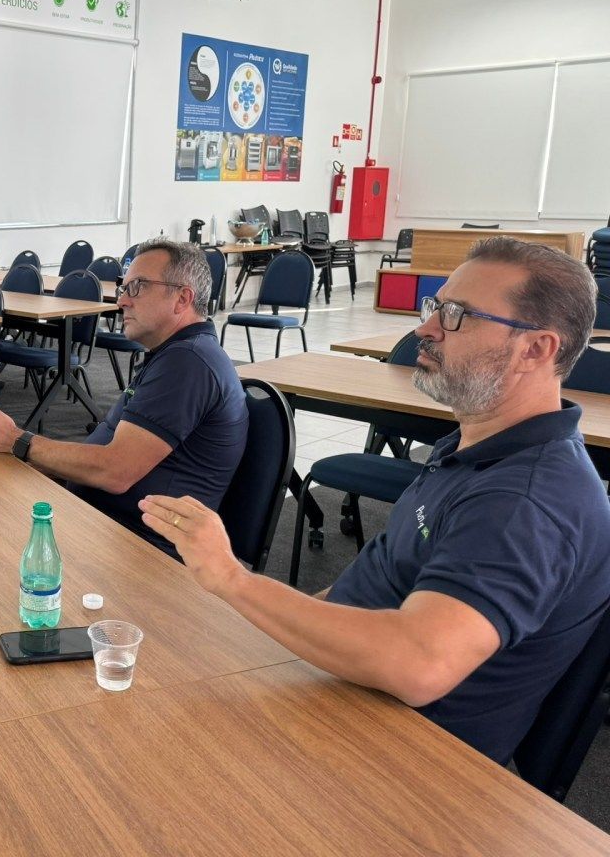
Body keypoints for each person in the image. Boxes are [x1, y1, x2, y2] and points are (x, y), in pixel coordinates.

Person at [142, 237, 610, 765]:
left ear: (536, 349)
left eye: (457, 316)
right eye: (435, 307)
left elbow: (419, 664)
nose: (425, 329)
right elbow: (380, 580)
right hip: (341, 698)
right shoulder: (470, 449)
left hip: (395, 761)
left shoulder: (526, 502)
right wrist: (270, 628)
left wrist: (232, 580)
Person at [0, 239, 248, 562]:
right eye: (123, 287)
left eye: (137, 287)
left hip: (139, 552)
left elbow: (116, 471)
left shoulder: (188, 363)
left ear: (183, 298)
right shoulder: (176, 355)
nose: (121, 300)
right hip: (103, 528)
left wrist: (18, 441)